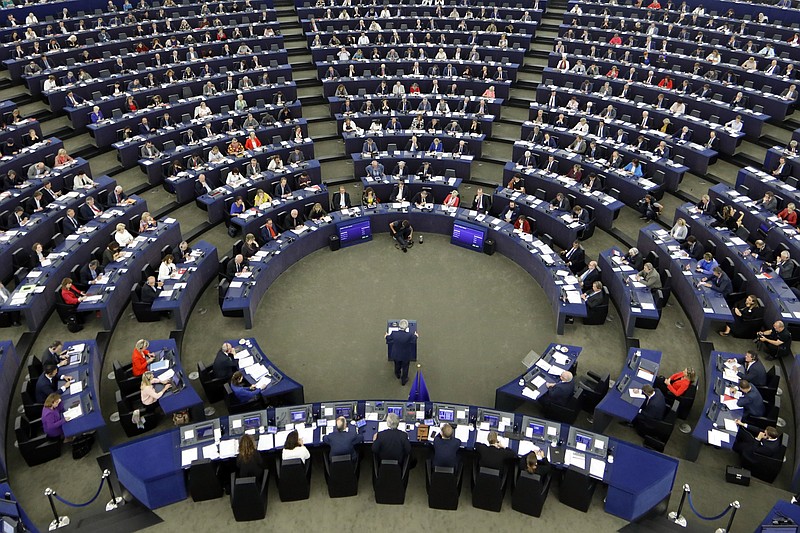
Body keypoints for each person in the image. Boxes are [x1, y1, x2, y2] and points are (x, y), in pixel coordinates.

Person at [385, 319, 417, 385]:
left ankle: (398, 374)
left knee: (397, 365)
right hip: (406, 355)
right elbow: (414, 340)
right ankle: (404, 380)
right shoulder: (410, 335)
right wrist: (416, 335)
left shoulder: (394, 333)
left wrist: (386, 336)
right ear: (406, 327)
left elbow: (388, 338)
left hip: (396, 354)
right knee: (405, 367)